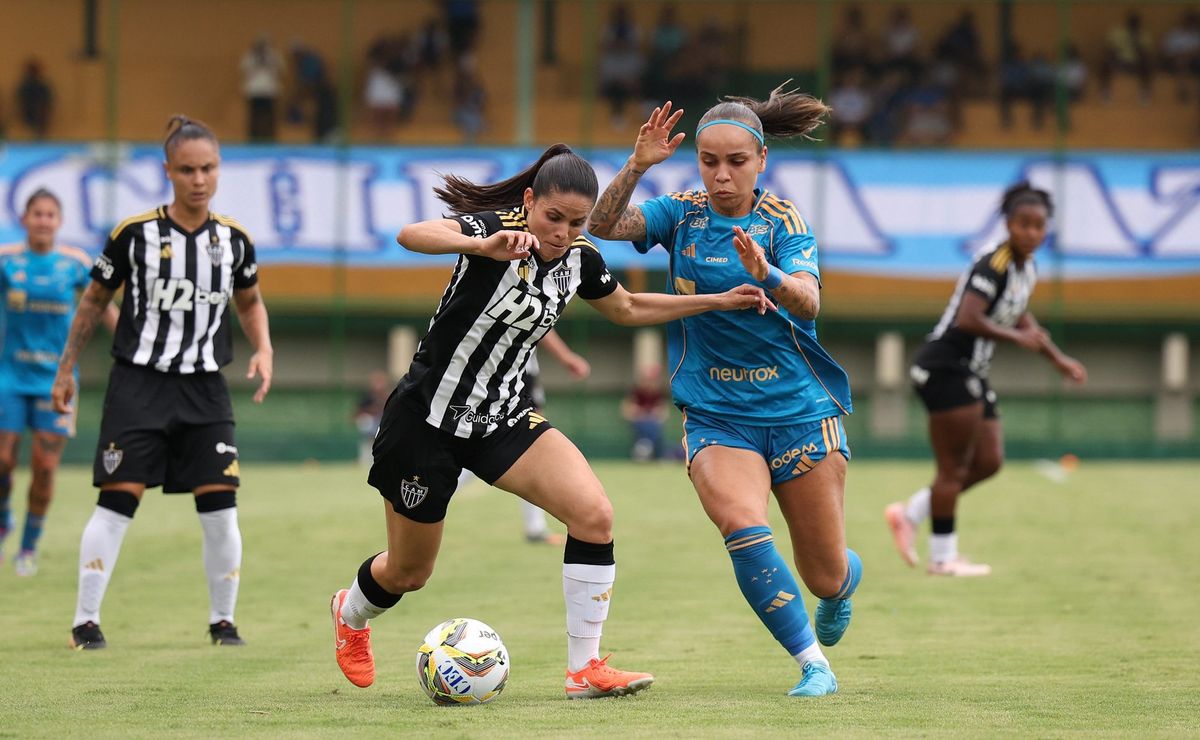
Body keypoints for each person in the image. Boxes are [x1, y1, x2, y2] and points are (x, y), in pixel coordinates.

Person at [328, 143, 772, 698]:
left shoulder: (582, 258)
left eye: (577, 222)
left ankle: (583, 670)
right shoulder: (498, 231)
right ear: (530, 201)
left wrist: (717, 300)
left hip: (504, 418)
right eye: (553, 217)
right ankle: (350, 613)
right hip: (426, 422)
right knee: (408, 573)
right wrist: (479, 242)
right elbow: (411, 235)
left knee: (593, 515)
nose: (563, 232)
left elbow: (628, 308)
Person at [587, 91, 863, 697]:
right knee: (741, 522)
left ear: (761, 159)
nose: (721, 174)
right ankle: (813, 664)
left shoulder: (785, 223)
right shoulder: (681, 214)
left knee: (823, 574)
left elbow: (810, 302)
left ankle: (843, 582)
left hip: (801, 413)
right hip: (717, 414)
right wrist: (636, 166)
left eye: (735, 161)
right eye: (709, 161)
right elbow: (600, 226)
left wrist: (767, 273)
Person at [51, 115, 274, 650]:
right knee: (117, 501)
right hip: (138, 387)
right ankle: (86, 622)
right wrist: (66, 368)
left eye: (209, 168)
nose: (199, 179)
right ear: (168, 172)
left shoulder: (234, 241)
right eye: (188, 169)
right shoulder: (133, 236)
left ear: (219, 170)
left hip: (205, 389)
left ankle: (223, 623)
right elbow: (93, 303)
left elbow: (249, 302)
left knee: (221, 509)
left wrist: (264, 346)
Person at [886, 183, 1087, 576]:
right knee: (953, 469)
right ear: (1008, 224)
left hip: (970, 370)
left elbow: (1019, 315)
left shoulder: (1025, 268)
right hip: (945, 366)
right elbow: (969, 319)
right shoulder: (992, 264)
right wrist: (1019, 338)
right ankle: (942, 557)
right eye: (1023, 224)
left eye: (1038, 226)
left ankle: (909, 513)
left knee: (990, 461)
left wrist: (1057, 359)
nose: (1031, 232)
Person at [0, 190, 117, 576]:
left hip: (58, 380)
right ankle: (4, 518)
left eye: (51, 214)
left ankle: (28, 548)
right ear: (25, 218)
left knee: (45, 467)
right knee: (3, 460)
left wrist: (132, 346)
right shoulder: (7, 261)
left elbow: (101, 303)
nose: (44, 220)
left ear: (59, 221)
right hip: (10, 378)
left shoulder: (74, 264)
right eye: (38, 213)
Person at [620, 363, 668, 461]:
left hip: (653, 422)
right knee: (646, 426)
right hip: (639, 422)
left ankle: (647, 451)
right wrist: (641, 413)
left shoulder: (657, 393)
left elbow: (662, 412)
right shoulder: (636, 391)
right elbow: (627, 410)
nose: (649, 382)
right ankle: (644, 450)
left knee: (652, 426)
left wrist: (653, 414)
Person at [241, 35, 283, 142]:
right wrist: (257, 62)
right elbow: (244, 69)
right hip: (254, 91)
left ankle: (269, 137)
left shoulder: (273, 56)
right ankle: (254, 137)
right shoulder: (250, 56)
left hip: (269, 91)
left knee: (269, 116)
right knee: (254, 116)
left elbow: (281, 69)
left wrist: (268, 62)